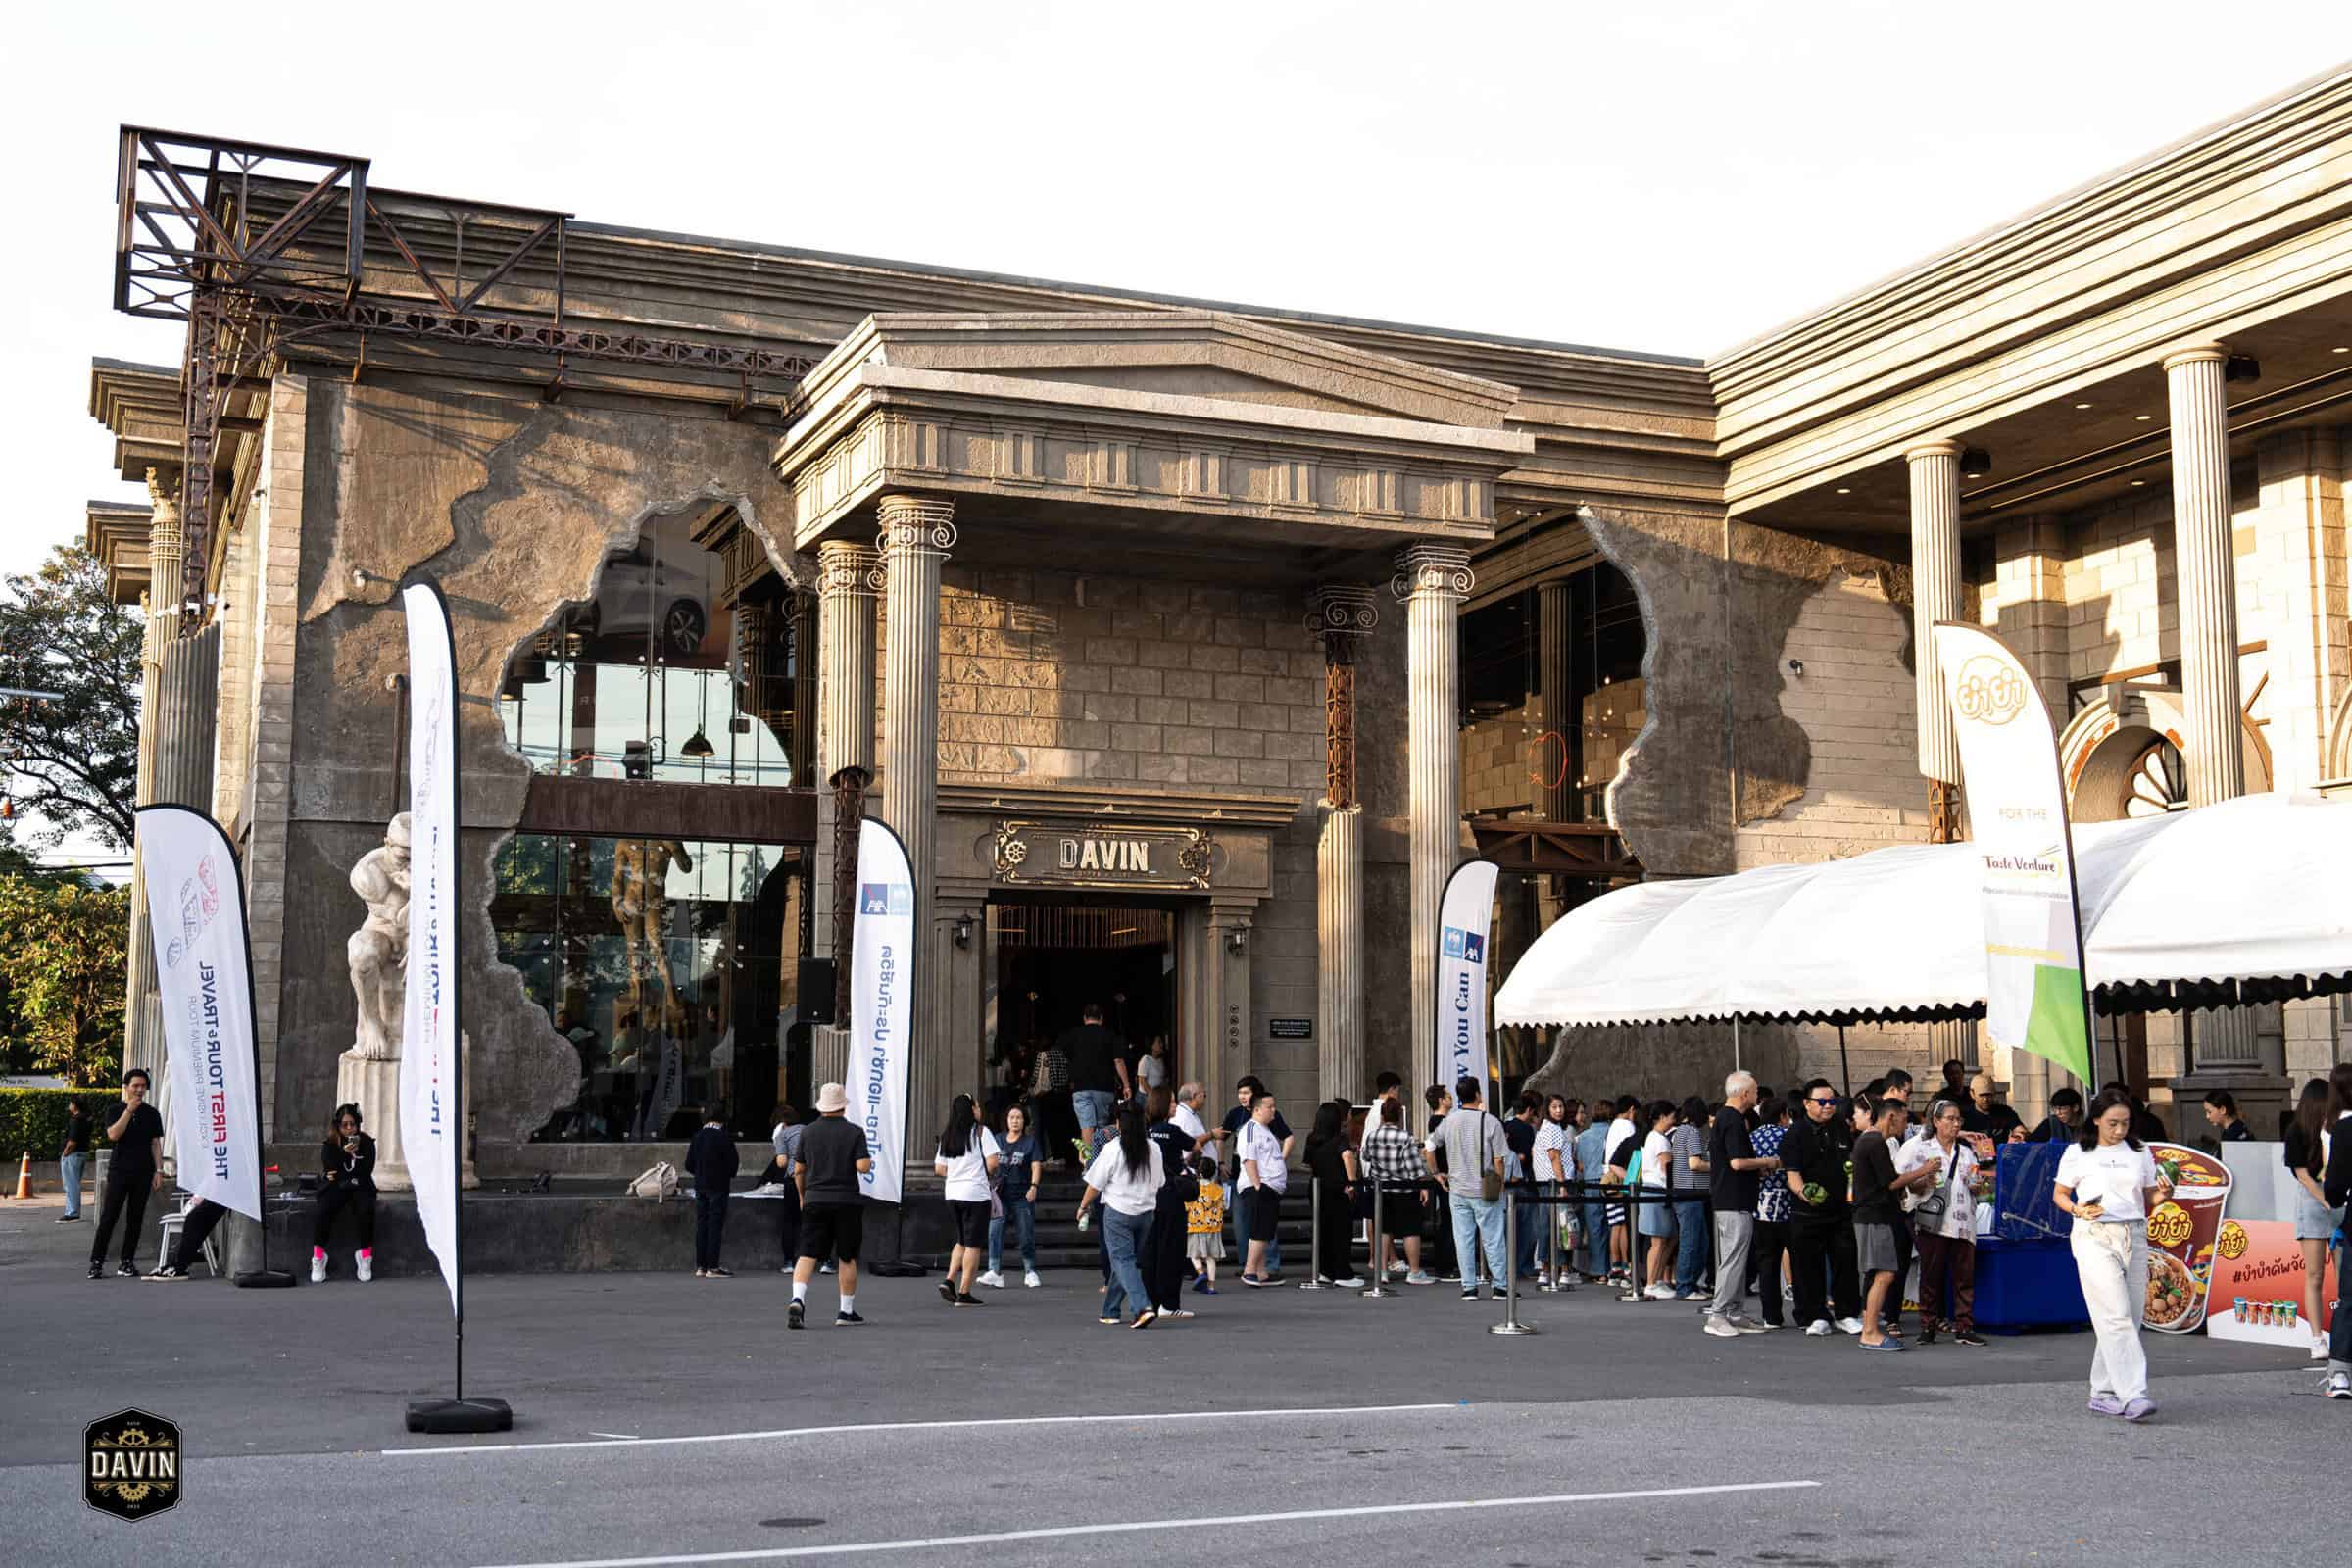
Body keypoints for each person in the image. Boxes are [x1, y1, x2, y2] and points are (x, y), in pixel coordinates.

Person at [2056, 1087, 2175, 1419]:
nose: (2120, 1130)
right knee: (2116, 1314)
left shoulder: (2140, 1151)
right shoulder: (2078, 1152)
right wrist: (2078, 1209)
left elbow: (2148, 1198)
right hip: (2094, 1234)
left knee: (2129, 1317)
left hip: (2134, 1233)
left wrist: (2164, 1195)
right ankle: (2133, 1393)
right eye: (2113, 1123)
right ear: (2096, 1120)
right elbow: (2060, 1194)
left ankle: (2103, 1391)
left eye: (2125, 1123)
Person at [1852, 1096, 1936, 1349]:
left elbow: (1887, 1181)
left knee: (1878, 1273)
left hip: (1875, 1216)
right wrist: (1923, 1170)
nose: (1905, 1124)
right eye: (1904, 1118)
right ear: (1891, 1117)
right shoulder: (1874, 1141)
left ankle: (1869, 1327)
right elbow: (1890, 1182)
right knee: (1884, 1273)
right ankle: (1870, 1332)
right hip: (1874, 1217)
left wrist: (1912, 1183)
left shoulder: (1871, 1141)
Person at [1783, 1079, 1863, 1336]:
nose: (1828, 1106)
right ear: (1807, 1104)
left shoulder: (1841, 1127)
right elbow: (1792, 1174)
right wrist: (1805, 1193)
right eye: (1822, 1102)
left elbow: (1850, 1163)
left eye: (1832, 1101)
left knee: (1845, 1262)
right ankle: (1814, 1315)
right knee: (1808, 1266)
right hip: (1807, 1212)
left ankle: (1846, 1313)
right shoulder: (1795, 1134)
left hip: (1840, 1210)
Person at [788, 1082, 872, 1329]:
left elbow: (799, 1170)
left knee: (807, 1253)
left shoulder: (808, 1132)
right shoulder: (855, 1132)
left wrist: (803, 1195)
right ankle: (845, 1311)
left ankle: (797, 1299)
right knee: (847, 1256)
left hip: (815, 1199)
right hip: (847, 1201)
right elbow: (863, 1167)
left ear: (821, 1107)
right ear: (843, 1107)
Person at [1902, 1099, 1984, 1346]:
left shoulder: (1967, 1152)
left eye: (1958, 1119)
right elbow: (1911, 1186)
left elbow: (1975, 1186)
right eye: (1950, 1119)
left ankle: (1964, 1326)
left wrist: (1978, 1185)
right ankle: (1928, 1325)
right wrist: (1924, 1179)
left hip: (1964, 1223)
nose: (1956, 1124)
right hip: (1934, 1222)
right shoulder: (1923, 1150)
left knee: (1964, 1277)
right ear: (1936, 1121)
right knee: (1931, 1275)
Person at [1079, 1103, 1165, 1326]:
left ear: (1118, 1124)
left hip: (1118, 1213)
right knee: (1126, 1261)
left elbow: (1095, 1183)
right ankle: (1110, 1311)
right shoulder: (1154, 1148)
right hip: (1146, 1214)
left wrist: (1083, 1206)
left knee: (1123, 1260)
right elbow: (1160, 1182)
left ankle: (1142, 1307)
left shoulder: (1113, 1148)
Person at [1705, 1071, 1777, 1337]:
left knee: (1735, 1258)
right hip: (1733, 1199)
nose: (1757, 1096)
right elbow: (1736, 1162)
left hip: (1732, 1198)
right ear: (1745, 1093)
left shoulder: (1725, 1118)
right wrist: (1768, 1162)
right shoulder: (1733, 1120)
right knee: (1734, 1259)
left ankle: (1734, 1312)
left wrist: (1756, 1169)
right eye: (1755, 1091)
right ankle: (1718, 1314)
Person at [1435, 1075, 1510, 1301]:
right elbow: (1499, 1159)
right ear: (1478, 1094)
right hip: (1484, 1189)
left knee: (1463, 1239)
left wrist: (1436, 1173)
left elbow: (1428, 1147)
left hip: (1458, 1189)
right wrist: (1500, 1182)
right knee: (1493, 1238)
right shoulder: (1491, 1122)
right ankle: (1500, 1287)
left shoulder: (1448, 1121)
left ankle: (1469, 1287)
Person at [89, 1068, 165, 1280]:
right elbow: (113, 1135)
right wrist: (129, 1111)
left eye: (143, 1086)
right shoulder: (115, 1110)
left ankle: (127, 1261)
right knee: (109, 1216)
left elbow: (155, 1143)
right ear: (126, 1087)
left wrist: (159, 1170)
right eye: (135, 1086)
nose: (139, 1090)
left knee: (136, 1218)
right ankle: (97, 1262)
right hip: (119, 1171)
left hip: (143, 1172)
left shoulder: (152, 1113)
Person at [2284, 1077, 2336, 1361]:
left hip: (2337, 1200)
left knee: (2345, 1275)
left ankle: (2341, 1335)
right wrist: (2326, 1201)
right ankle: (2317, 1338)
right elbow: (2302, 1175)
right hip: (2313, 1201)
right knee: (2314, 1274)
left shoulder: (2336, 1129)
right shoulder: (2297, 1131)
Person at [933, 1093, 1002, 1307]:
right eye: (977, 1106)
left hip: (952, 1193)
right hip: (975, 1195)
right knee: (973, 1245)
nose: (979, 1110)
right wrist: (981, 1174)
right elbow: (993, 1163)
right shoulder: (981, 1132)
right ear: (972, 1110)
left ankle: (949, 1280)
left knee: (961, 1240)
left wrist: (957, 1174)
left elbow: (939, 1168)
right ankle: (964, 1292)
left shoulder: (947, 1136)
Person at [1222, 1076, 1293, 1279]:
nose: (1274, 1110)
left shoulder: (1265, 1128)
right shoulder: (1250, 1128)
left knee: (1262, 1228)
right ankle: (1250, 1269)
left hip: (1268, 1185)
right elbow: (1248, 1158)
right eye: (1270, 1107)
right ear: (1258, 1109)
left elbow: (1286, 1140)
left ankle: (1262, 1271)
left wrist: (1279, 1164)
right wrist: (1258, 1184)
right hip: (1258, 1185)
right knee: (1259, 1228)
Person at [1359, 1097, 1431, 1284]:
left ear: (1382, 1116)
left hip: (1380, 1189)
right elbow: (1414, 1167)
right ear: (1399, 1116)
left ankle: (1382, 1271)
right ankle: (1414, 1272)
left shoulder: (1372, 1136)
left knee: (1383, 1229)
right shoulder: (1405, 1137)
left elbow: (1365, 1156)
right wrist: (1423, 1186)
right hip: (1404, 1190)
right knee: (1410, 1230)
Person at [1143, 1086, 1200, 1315]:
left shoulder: (1145, 1131)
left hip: (1148, 1196)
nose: (1175, 1105)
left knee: (1152, 1250)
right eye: (1173, 1101)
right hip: (1170, 1194)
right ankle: (1169, 1304)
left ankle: (1150, 1302)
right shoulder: (1173, 1131)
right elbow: (1195, 1145)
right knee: (1172, 1249)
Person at [312, 1102, 380, 1283]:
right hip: (337, 1186)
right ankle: (318, 1257)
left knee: (366, 1209)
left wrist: (345, 1171)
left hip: (360, 1185)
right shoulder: (330, 1144)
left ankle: (365, 1256)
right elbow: (329, 1168)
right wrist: (343, 1154)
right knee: (324, 1208)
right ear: (338, 1126)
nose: (349, 1129)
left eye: (352, 1124)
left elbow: (366, 1170)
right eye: (344, 1125)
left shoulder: (367, 1143)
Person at [1303, 1098, 1365, 1289]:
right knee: (1341, 1231)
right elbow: (1347, 1156)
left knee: (1323, 1230)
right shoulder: (1340, 1138)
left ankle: (1325, 1270)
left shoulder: (1312, 1138)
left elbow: (1308, 1163)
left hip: (1318, 1186)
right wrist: (1352, 1181)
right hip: (1338, 1188)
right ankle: (1342, 1272)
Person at [982, 1102, 1044, 1289]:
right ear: (1007, 1120)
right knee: (994, 1231)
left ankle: (1030, 1271)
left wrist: (1034, 1186)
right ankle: (994, 1271)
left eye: (1019, 1118)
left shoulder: (1030, 1142)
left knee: (1025, 1234)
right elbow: (988, 1163)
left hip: (1022, 1195)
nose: (1015, 1121)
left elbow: (1036, 1165)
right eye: (1012, 1117)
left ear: (1024, 1121)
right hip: (999, 1194)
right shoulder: (997, 1139)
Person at [1058, 1002, 1130, 1160]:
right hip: (1104, 1089)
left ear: (1085, 1018)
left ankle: (1089, 1163)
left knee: (1086, 1125)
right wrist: (1126, 1085)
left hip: (1081, 1088)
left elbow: (1067, 1058)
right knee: (1102, 1126)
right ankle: (1103, 1163)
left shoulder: (1073, 1035)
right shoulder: (1110, 1035)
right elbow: (1118, 1061)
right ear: (1101, 1019)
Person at [2320, 1064, 2352, 1398]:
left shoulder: (2344, 1129)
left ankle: (2340, 1373)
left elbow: (2335, 1184)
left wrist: (2337, 1200)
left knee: (2350, 1299)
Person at [1749, 1094, 1795, 1329]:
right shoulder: (1789, 1136)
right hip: (1789, 1205)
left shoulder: (1752, 1137)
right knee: (1799, 1259)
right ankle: (1804, 1312)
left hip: (1761, 1207)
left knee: (1767, 1262)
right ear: (1782, 1115)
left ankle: (1771, 1316)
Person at [684, 1103, 738, 1279]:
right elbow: (733, 1164)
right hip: (718, 1186)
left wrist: (700, 1173)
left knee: (702, 1224)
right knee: (715, 1225)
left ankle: (701, 1266)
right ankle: (713, 1267)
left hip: (700, 1185)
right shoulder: (724, 1137)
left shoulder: (697, 1136)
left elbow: (689, 1164)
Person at [1668, 1094, 1712, 1299]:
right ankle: (1685, 1286)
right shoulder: (1692, 1132)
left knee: (1696, 1240)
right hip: (1691, 1192)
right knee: (1692, 1241)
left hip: (1682, 1192)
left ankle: (1690, 1284)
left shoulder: (1679, 1132)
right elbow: (1695, 1164)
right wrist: (1716, 1166)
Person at [1635, 1099, 1679, 1300]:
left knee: (1667, 1237)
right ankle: (1652, 1283)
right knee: (1659, 1240)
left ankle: (1657, 1279)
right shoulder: (1659, 1139)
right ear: (1662, 1117)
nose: (1674, 1120)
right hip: (1658, 1191)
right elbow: (1667, 1168)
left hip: (1654, 1191)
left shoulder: (1652, 1137)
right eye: (1671, 1116)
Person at [1534, 1095, 1575, 1290]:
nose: (1559, 1111)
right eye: (1554, 1107)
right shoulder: (1554, 1129)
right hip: (1556, 1182)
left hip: (1544, 1183)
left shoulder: (1543, 1128)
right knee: (1563, 1226)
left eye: (1561, 1106)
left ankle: (1545, 1270)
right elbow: (1555, 1157)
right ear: (1547, 1109)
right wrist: (1562, 1184)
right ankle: (1564, 1270)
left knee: (1547, 1226)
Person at [1505, 1091, 1543, 1283]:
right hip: (1525, 1182)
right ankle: (1523, 1266)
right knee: (1528, 1229)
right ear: (1529, 1110)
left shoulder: (1505, 1126)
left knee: (1508, 1229)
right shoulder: (1527, 1130)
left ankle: (1508, 1266)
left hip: (1505, 1184)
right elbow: (1525, 1156)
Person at [767, 1104, 804, 1270]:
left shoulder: (782, 1134)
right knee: (814, 1221)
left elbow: (781, 1162)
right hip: (813, 1180)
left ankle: (789, 1261)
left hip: (793, 1179)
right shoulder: (809, 1130)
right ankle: (824, 1260)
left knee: (790, 1221)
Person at [1186, 1152, 1227, 1293]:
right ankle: (1211, 1286)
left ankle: (1201, 1273)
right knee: (1210, 1258)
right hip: (1213, 1228)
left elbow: (1187, 1206)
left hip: (1196, 1226)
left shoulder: (1193, 1187)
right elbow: (1223, 1206)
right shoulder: (1219, 1189)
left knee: (1193, 1255)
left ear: (1198, 1172)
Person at [57, 1095, 92, 1223]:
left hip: (73, 1154)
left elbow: (72, 1141)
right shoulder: (87, 1118)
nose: (69, 1106)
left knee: (70, 1184)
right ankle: (71, 1212)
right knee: (74, 1183)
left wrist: (64, 1154)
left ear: (75, 1105)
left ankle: (72, 1213)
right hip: (82, 1153)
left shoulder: (76, 1120)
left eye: (70, 1103)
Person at [1961, 1074, 2026, 1143]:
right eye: (1981, 1095)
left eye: (1989, 1095)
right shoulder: (1963, 1115)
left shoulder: (2005, 1111)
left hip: (2002, 1149)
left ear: (1994, 1093)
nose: (1985, 1099)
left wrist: (2017, 1136)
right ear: (1972, 1094)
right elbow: (1953, 1133)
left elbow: (2021, 1130)